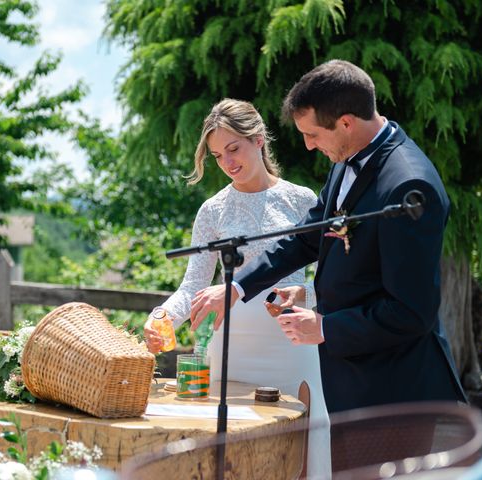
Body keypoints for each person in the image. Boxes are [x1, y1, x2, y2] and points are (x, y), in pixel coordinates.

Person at [190, 60, 467, 415]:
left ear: (346, 123)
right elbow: (306, 237)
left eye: (313, 134)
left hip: (396, 393)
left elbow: (412, 312)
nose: (307, 146)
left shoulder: (408, 185)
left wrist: (325, 327)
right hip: (351, 383)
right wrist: (238, 287)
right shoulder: (345, 159)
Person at [144, 98, 331, 479]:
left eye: (234, 149)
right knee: (235, 460)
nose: (227, 162)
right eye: (217, 155)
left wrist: (304, 298)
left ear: (259, 140)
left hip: (292, 346)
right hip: (230, 351)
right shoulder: (212, 210)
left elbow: (327, 282)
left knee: (298, 459)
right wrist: (163, 314)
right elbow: (192, 286)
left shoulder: (303, 199)